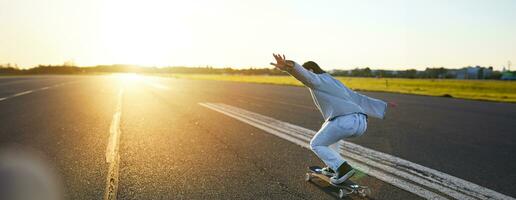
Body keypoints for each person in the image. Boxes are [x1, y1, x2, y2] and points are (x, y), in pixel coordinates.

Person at [270, 53, 395, 184]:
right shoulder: (334, 81)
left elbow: (305, 75)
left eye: (307, 72)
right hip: (361, 122)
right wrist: (383, 106)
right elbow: (357, 97)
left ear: (311, 70)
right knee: (329, 134)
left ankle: (343, 168)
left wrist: (288, 66)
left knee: (316, 144)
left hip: (344, 121)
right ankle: (332, 168)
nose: (305, 78)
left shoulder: (316, 79)